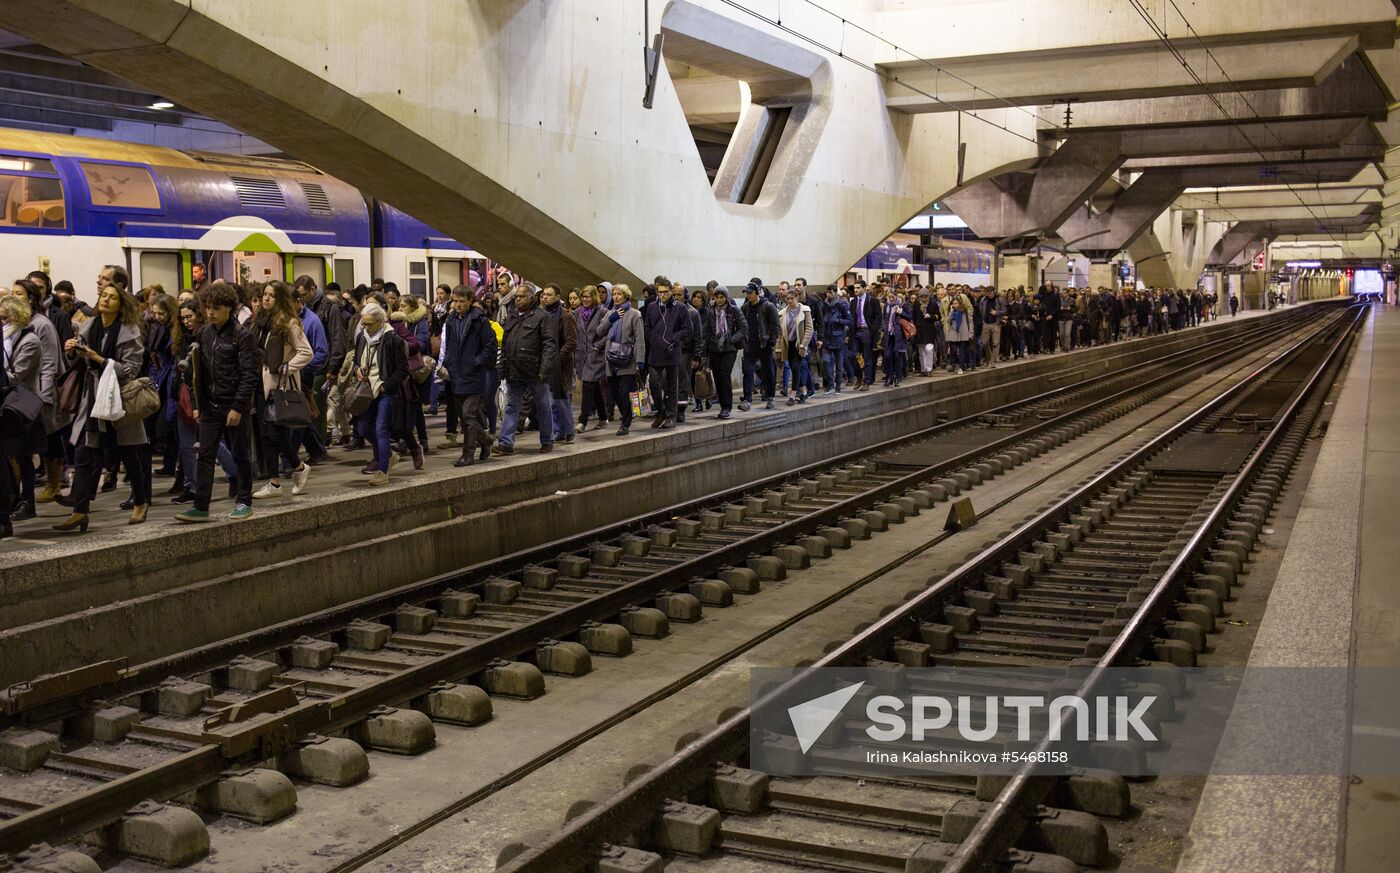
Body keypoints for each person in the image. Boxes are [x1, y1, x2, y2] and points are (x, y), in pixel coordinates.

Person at [53, 283, 148, 531]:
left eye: (112, 297)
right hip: (92, 399)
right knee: (85, 455)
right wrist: (73, 352)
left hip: (118, 399)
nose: (105, 300)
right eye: (103, 295)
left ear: (121, 304)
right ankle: (79, 511)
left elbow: (130, 370)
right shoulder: (89, 325)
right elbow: (77, 363)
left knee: (128, 454)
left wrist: (99, 359)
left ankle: (140, 501)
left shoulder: (129, 331)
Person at [173, 283, 258, 522]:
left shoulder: (242, 335)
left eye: (216, 308)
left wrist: (238, 407)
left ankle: (244, 501)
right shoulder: (204, 334)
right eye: (208, 307)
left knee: (241, 454)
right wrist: (198, 404)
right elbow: (198, 373)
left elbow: (248, 375)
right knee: (206, 455)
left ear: (229, 309)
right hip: (210, 405)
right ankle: (201, 506)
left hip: (233, 405)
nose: (210, 312)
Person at [251, 281, 313, 499]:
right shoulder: (259, 321)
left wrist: (288, 367)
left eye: (272, 296)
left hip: (280, 384)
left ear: (281, 299)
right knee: (265, 435)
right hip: (261, 382)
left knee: (274, 432)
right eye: (264, 294)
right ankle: (274, 482)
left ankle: (298, 467)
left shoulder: (289, 323)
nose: (266, 299)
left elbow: (306, 352)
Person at [350, 302, 411, 485]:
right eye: (364, 323)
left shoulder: (392, 339)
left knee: (381, 428)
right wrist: (356, 370)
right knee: (362, 428)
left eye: (369, 324)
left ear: (380, 321)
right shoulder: (362, 338)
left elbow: (402, 369)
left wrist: (386, 385)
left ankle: (382, 471)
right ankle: (389, 455)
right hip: (366, 391)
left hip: (384, 390)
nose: (365, 327)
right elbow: (355, 359)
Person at [495, 282, 558, 454]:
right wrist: (502, 368)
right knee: (511, 406)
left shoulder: (542, 316)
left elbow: (549, 345)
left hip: (535, 371)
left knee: (543, 406)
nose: (518, 300)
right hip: (515, 370)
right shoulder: (512, 316)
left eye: (521, 297)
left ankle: (547, 440)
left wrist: (545, 369)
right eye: (516, 297)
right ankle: (506, 443)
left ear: (531, 297)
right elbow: (507, 344)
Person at [440, 285, 496, 466]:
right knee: (464, 417)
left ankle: (468, 454)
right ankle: (486, 440)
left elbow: (491, 346)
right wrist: (448, 362)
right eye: (455, 301)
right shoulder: (451, 320)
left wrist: (476, 362)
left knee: (468, 414)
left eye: (461, 301)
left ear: (470, 301)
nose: (457, 305)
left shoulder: (480, 320)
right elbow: (448, 344)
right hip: (456, 374)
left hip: (473, 374)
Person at [1, 295, 46, 522]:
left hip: (22, 405)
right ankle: (11, 497)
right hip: (5, 404)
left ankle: (28, 500)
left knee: (24, 456)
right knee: (8, 455)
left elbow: (17, 375)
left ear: (11, 314)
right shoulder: (5, 337)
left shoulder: (30, 341)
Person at [642, 276, 690, 428]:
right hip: (656, 351)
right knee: (654, 382)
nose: (662, 295)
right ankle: (660, 411)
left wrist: (674, 338)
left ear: (671, 291)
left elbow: (688, 328)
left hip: (672, 351)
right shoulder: (651, 307)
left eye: (665, 292)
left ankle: (671, 415)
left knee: (671, 385)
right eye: (659, 292)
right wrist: (654, 339)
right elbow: (647, 328)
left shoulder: (680, 308)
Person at [597, 283, 645, 435]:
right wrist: (611, 319)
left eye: (619, 294)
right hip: (611, 359)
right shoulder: (611, 312)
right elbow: (599, 332)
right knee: (613, 392)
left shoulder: (635, 314)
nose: (616, 297)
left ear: (626, 296)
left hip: (627, 359)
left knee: (625, 392)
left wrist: (640, 360)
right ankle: (626, 413)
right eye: (615, 294)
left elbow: (639, 338)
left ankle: (625, 422)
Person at [388, 298, 428, 468]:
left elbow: (418, 344)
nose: (401, 308)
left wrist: (396, 344)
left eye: (404, 306)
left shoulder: (412, 323)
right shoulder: (373, 326)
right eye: (399, 306)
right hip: (385, 378)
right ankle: (384, 455)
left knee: (411, 413)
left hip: (409, 375)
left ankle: (419, 443)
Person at [701, 285, 745, 418]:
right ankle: (722, 405)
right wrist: (704, 352)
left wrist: (732, 339)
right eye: (717, 297)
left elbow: (744, 328)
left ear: (726, 297)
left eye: (722, 297)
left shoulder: (734, 310)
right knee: (718, 378)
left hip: (729, 349)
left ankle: (727, 406)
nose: (719, 300)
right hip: (714, 349)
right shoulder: (710, 311)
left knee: (725, 376)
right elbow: (707, 331)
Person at [541, 283, 577, 443]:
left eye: (548, 294)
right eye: (543, 294)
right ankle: (558, 431)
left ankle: (569, 430)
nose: (544, 297)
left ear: (557, 297)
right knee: (550, 401)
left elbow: (571, 342)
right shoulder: (541, 315)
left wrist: (555, 359)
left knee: (560, 399)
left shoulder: (566, 316)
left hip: (561, 364)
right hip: (545, 363)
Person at [739, 282, 779, 410]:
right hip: (750, 345)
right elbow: (742, 326)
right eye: (747, 293)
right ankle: (747, 400)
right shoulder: (745, 308)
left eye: (750, 293)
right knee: (748, 372)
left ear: (757, 292)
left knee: (769, 371)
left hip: (764, 345)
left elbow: (776, 327)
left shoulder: (768, 306)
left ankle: (771, 397)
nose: (748, 295)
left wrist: (771, 343)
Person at [575, 285, 608, 430]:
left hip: (596, 356)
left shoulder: (602, 312)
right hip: (581, 355)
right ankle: (603, 417)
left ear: (593, 297)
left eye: (587, 296)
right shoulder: (576, 313)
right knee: (593, 388)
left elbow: (608, 333)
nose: (584, 299)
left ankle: (582, 421)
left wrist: (598, 345)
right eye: (583, 296)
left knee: (588, 386)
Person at [777, 288, 814, 403]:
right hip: (789, 344)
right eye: (788, 299)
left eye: (792, 298)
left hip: (800, 344)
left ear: (797, 298)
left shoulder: (805, 310)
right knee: (794, 369)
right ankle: (803, 392)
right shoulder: (782, 313)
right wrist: (778, 346)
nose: (790, 301)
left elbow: (809, 328)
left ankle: (793, 395)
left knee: (796, 367)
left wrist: (804, 344)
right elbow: (780, 332)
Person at [850, 281, 881, 390]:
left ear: (864, 288)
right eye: (855, 288)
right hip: (856, 331)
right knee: (854, 356)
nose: (856, 290)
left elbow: (878, 316)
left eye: (858, 288)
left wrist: (873, 330)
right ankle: (859, 377)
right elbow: (852, 318)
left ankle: (867, 381)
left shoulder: (872, 300)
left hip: (867, 331)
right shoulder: (853, 301)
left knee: (867, 358)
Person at [820, 284, 849, 393]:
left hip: (838, 339)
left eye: (831, 292)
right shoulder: (824, 305)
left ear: (835, 292)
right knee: (826, 362)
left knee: (839, 365)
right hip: (827, 338)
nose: (829, 294)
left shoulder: (842, 304)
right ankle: (830, 384)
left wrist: (838, 321)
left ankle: (838, 386)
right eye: (827, 292)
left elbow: (849, 320)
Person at [880, 287, 911, 386]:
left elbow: (909, 317)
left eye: (893, 297)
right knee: (887, 356)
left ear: (896, 296)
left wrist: (901, 313)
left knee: (897, 356)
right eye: (889, 297)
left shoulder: (902, 305)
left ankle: (898, 377)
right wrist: (884, 327)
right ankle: (889, 376)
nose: (891, 299)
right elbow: (884, 318)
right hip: (889, 335)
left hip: (899, 334)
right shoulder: (886, 306)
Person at [912, 287, 940, 374]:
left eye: (926, 297)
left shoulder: (933, 304)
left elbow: (938, 316)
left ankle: (929, 369)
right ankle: (923, 369)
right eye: (922, 297)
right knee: (921, 351)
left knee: (929, 349)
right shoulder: (916, 305)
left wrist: (931, 316)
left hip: (929, 330)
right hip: (919, 330)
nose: (924, 299)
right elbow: (914, 317)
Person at [977, 287, 1004, 367]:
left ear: (994, 292)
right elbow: (980, 310)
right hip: (986, 323)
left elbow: (1005, 311)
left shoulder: (999, 300)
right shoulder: (983, 300)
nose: (990, 294)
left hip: (996, 323)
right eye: (988, 293)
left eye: (991, 293)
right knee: (984, 342)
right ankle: (989, 357)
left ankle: (993, 362)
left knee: (996, 343)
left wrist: (997, 313)